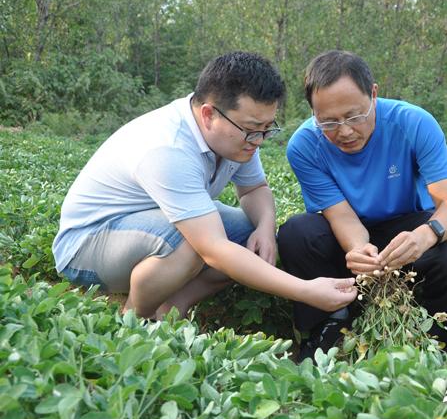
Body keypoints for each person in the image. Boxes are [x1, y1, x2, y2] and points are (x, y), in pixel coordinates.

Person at [52, 51, 357, 320]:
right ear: (209, 114)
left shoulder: (239, 136)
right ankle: (135, 320)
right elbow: (213, 250)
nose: (260, 140)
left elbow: (254, 190)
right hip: (87, 245)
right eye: (253, 129)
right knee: (191, 244)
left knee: (245, 232)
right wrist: (305, 291)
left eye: (267, 128)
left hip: (150, 225)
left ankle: (173, 306)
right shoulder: (168, 148)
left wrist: (265, 228)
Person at [277, 50, 447, 361]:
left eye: (355, 116)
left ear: (373, 94)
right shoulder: (305, 145)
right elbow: (341, 216)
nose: (344, 131)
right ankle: (331, 321)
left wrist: (424, 237)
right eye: (328, 121)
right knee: (297, 233)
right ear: (312, 111)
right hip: (346, 234)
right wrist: (360, 251)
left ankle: (433, 325)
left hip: (409, 224)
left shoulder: (414, 123)